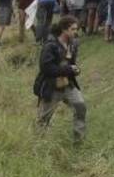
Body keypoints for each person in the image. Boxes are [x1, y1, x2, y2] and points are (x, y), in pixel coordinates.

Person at [33, 15, 86, 143]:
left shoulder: (73, 44)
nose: (75, 32)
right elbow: (46, 68)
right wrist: (67, 70)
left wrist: (75, 70)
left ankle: (79, 140)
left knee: (80, 106)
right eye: (73, 29)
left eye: (76, 29)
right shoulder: (50, 45)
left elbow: (71, 64)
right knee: (43, 119)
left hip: (68, 85)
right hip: (52, 87)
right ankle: (38, 144)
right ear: (64, 29)